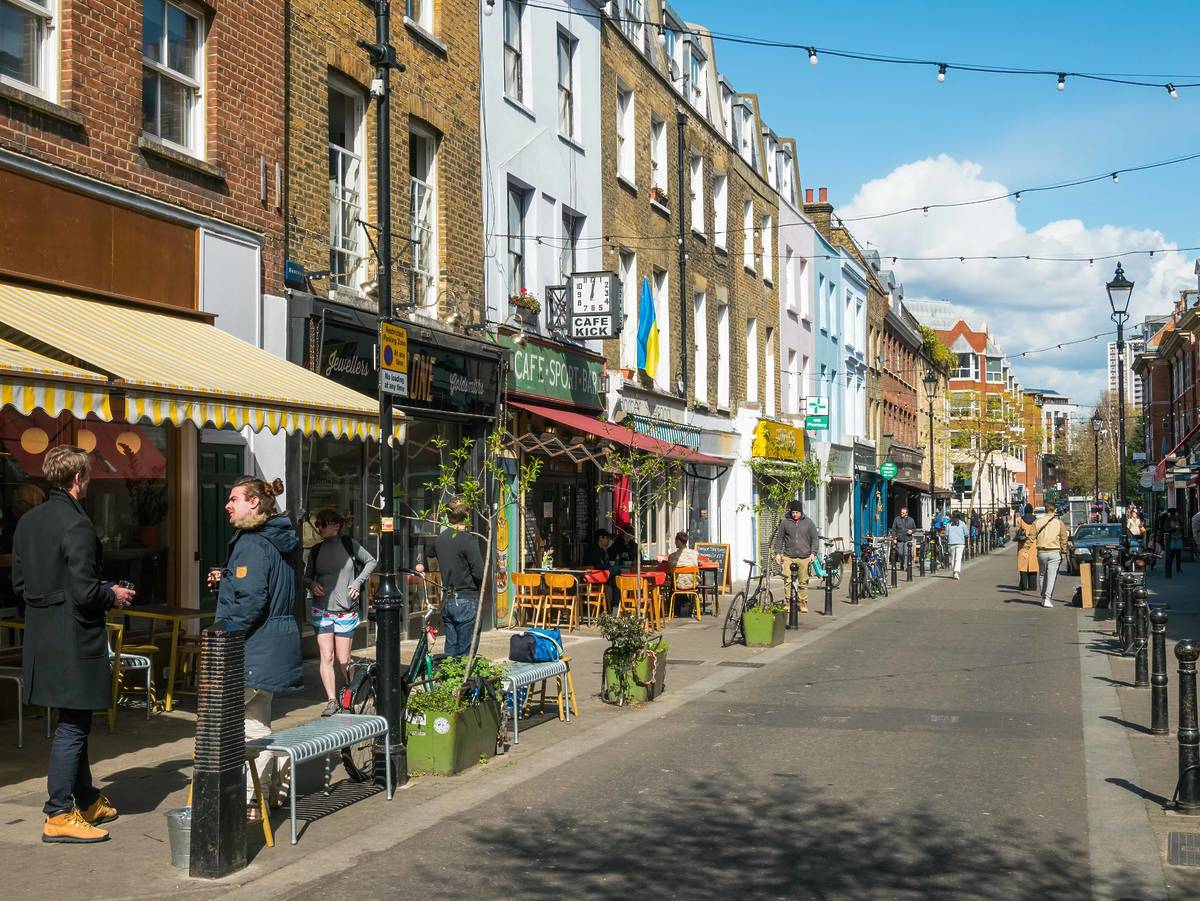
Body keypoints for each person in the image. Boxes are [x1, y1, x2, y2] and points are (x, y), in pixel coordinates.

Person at [12, 445, 135, 843]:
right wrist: (112, 595)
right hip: (74, 637)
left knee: (74, 717)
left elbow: (19, 585)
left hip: (41, 635)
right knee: (74, 725)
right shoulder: (77, 524)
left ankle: (85, 797)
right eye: (89, 475)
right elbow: (84, 592)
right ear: (79, 479)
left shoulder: (28, 522)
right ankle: (59, 812)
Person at [209, 476, 303, 821]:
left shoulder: (250, 542)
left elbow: (251, 600)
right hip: (277, 639)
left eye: (234, 499)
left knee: (242, 724)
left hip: (254, 645)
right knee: (256, 713)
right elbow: (267, 582)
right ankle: (272, 792)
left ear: (256, 503)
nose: (227, 505)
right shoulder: (281, 538)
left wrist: (224, 633)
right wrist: (228, 575)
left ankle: (255, 792)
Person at [304, 509, 377, 716]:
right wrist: (312, 584)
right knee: (326, 656)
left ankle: (350, 694)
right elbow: (306, 577)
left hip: (345, 611)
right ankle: (332, 700)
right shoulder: (315, 550)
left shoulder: (349, 545)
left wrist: (357, 582)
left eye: (324, 523)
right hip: (322, 609)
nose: (320, 528)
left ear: (336, 525)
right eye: (318, 524)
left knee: (343, 659)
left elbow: (372, 561)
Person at [432, 497, 483, 657]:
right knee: (466, 654)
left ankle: (449, 681)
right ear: (466, 517)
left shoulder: (440, 539)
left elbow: (430, 558)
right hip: (467, 597)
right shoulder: (468, 540)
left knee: (451, 650)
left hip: (448, 599)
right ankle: (463, 682)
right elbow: (479, 572)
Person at [771, 500, 819, 614]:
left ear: (801, 512)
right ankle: (787, 602)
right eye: (793, 512)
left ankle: (802, 602)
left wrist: (813, 553)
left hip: (804, 556)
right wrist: (777, 553)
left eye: (797, 512)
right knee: (787, 579)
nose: (795, 514)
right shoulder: (785, 522)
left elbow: (815, 539)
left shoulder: (808, 523)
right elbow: (779, 538)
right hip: (788, 556)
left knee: (803, 581)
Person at [1033, 505, 1069, 608]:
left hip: (1041, 552)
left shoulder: (1037, 522)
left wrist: (1026, 549)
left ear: (1045, 510)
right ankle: (1047, 599)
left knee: (1042, 575)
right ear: (1055, 510)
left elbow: (1031, 536)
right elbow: (1063, 538)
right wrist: (1064, 551)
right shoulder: (1059, 523)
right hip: (1054, 552)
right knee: (1051, 576)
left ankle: (1043, 597)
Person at [580, 528, 618, 613]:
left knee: (614, 580)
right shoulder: (596, 551)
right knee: (617, 581)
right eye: (607, 538)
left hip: (589, 578)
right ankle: (614, 608)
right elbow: (600, 568)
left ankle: (611, 608)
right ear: (601, 538)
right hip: (594, 579)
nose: (609, 540)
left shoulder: (597, 550)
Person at [1014, 503, 1039, 591]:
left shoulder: (1021, 520)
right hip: (1033, 545)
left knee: (1023, 566)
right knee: (1033, 566)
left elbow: (1017, 530)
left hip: (1023, 545)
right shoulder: (1036, 521)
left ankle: (1023, 585)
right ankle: (1033, 586)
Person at [1162, 507, 1185, 577]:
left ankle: (1178, 568)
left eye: (1174, 514)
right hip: (1171, 538)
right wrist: (1173, 529)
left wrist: (1180, 528)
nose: (1174, 515)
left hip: (1179, 537)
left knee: (1178, 555)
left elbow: (1183, 526)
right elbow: (1165, 529)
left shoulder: (1179, 519)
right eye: (1173, 514)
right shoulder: (1168, 519)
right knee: (1171, 555)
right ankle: (1169, 568)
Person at [945, 511, 968, 579]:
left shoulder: (949, 524)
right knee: (958, 558)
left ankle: (954, 571)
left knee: (953, 558)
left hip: (951, 543)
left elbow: (946, 534)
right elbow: (966, 533)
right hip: (960, 543)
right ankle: (956, 572)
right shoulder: (962, 524)